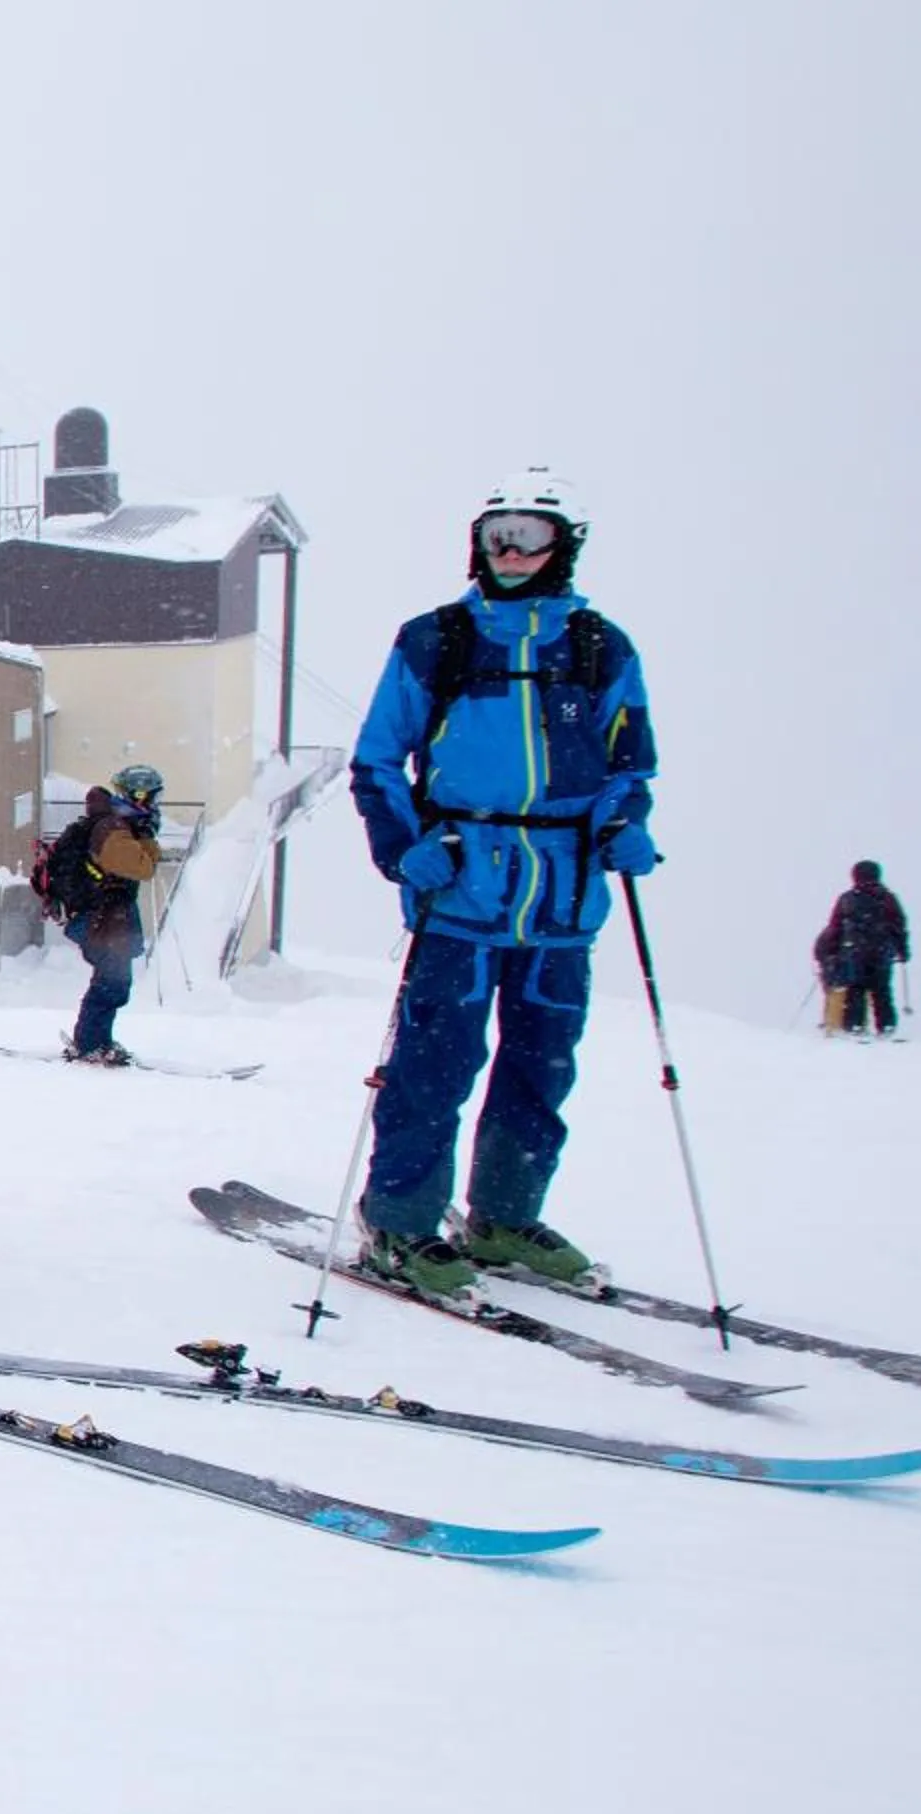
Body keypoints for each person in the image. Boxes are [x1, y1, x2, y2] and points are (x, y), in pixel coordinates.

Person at [345, 468, 659, 1300]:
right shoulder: (436, 640)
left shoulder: (598, 647)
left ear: (564, 545)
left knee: (541, 1066)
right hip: (462, 891)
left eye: (528, 533)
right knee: (434, 1066)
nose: (511, 550)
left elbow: (631, 765)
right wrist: (404, 848)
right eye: (496, 535)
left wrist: (627, 824)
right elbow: (377, 760)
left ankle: (505, 1214)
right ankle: (401, 1219)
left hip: (561, 901)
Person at [49, 766, 165, 1065]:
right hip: (99, 917)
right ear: (137, 796)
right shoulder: (112, 830)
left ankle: (95, 1041)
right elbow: (142, 867)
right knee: (112, 981)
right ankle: (90, 1044)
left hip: (107, 917)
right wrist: (148, 838)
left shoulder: (118, 826)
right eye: (152, 797)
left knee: (113, 980)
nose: (155, 804)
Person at [818, 860, 910, 1040]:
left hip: (854, 953)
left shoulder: (847, 899)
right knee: (882, 991)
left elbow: (835, 928)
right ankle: (886, 1028)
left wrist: (831, 951)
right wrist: (902, 950)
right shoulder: (888, 898)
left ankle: (855, 1028)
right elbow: (898, 926)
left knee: (856, 990)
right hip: (881, 953)